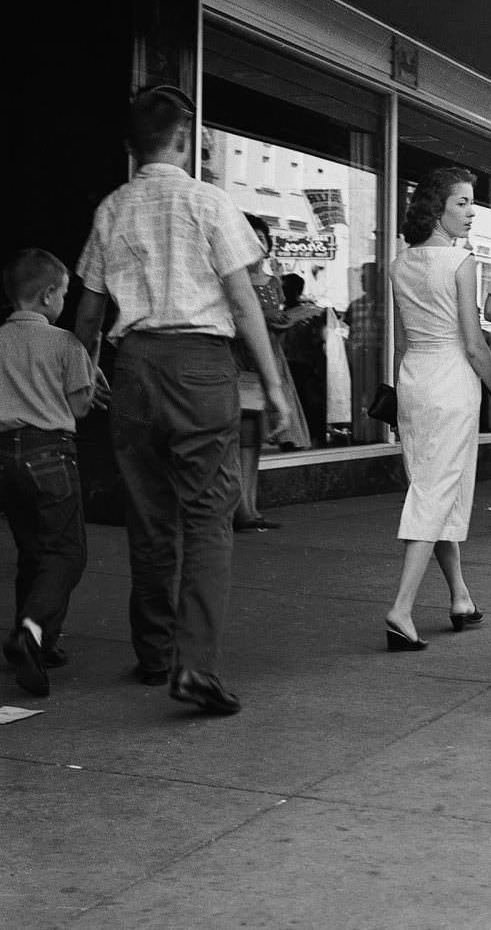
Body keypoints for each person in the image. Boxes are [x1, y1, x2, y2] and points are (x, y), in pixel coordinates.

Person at [74, 84, 290, 715]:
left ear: (131, 147)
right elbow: (244, 298)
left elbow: (88, 307)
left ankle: (154, 648)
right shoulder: (209, 202)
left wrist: (84, 372)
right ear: (183, 138)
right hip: (200, 367)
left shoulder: (113, 208)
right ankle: (195, 665)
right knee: (206, 516)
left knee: (148, 510)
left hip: (135, 363)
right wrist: (273, 384)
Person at [384, 168, 491, 650]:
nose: (471, 211)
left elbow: (401, 338)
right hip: (452, 379)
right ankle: (401, 608)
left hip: (415, 378)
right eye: (461, 202)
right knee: (436, 492)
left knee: (434, 486)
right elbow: (474, 343)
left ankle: (460, 596)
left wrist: (398, 385)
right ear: (437, 208)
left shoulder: (401, 264)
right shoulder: (461, 263)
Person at [0, 249, 97, 696]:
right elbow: (79, 405)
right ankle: (32, 630)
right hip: (50, 454)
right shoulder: (65, 343)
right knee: (66, 552)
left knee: (32, 550)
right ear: (48, 295)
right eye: (63, 294)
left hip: (4, 455)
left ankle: (42, 642)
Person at [232, 214, 311, 532]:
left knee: (252, 441)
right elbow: (238, 321)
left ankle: (249, 508)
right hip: (241, 363)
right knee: (239, 438)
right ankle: (239, 507)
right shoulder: (233, 281)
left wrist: (288, 321)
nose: (257, 245)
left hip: (268, 363)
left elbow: (275, 325)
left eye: (262, 239)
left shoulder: (273, 282)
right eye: (251, 238)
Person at [280, 273, 327, 446]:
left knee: (309, 404)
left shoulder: (309, 313)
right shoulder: (281, 314)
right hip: (287, 364)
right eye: (283, 288)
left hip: (306, 365)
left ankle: (314, 439)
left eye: (287, 288)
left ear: (297, 290)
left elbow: (319, 340)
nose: (284, 292)